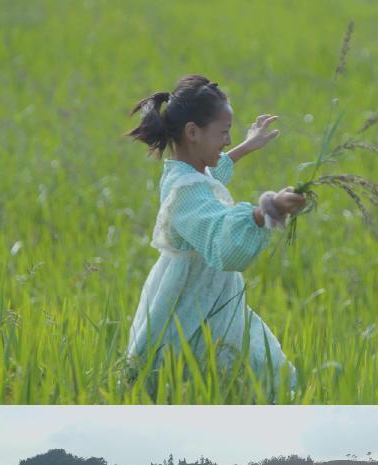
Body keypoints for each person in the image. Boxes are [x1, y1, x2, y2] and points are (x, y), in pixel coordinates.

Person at [124, 75, 306, 394]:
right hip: (194, 305)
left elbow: (211, 173)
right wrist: (268, 208)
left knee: (246, 372)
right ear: (193, 133)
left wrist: (247, 145)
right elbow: (220, 239)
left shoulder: (183, 171)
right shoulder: (186, 196)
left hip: (210, 297)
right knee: (227, 374)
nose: (226, 140)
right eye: (223, 133)